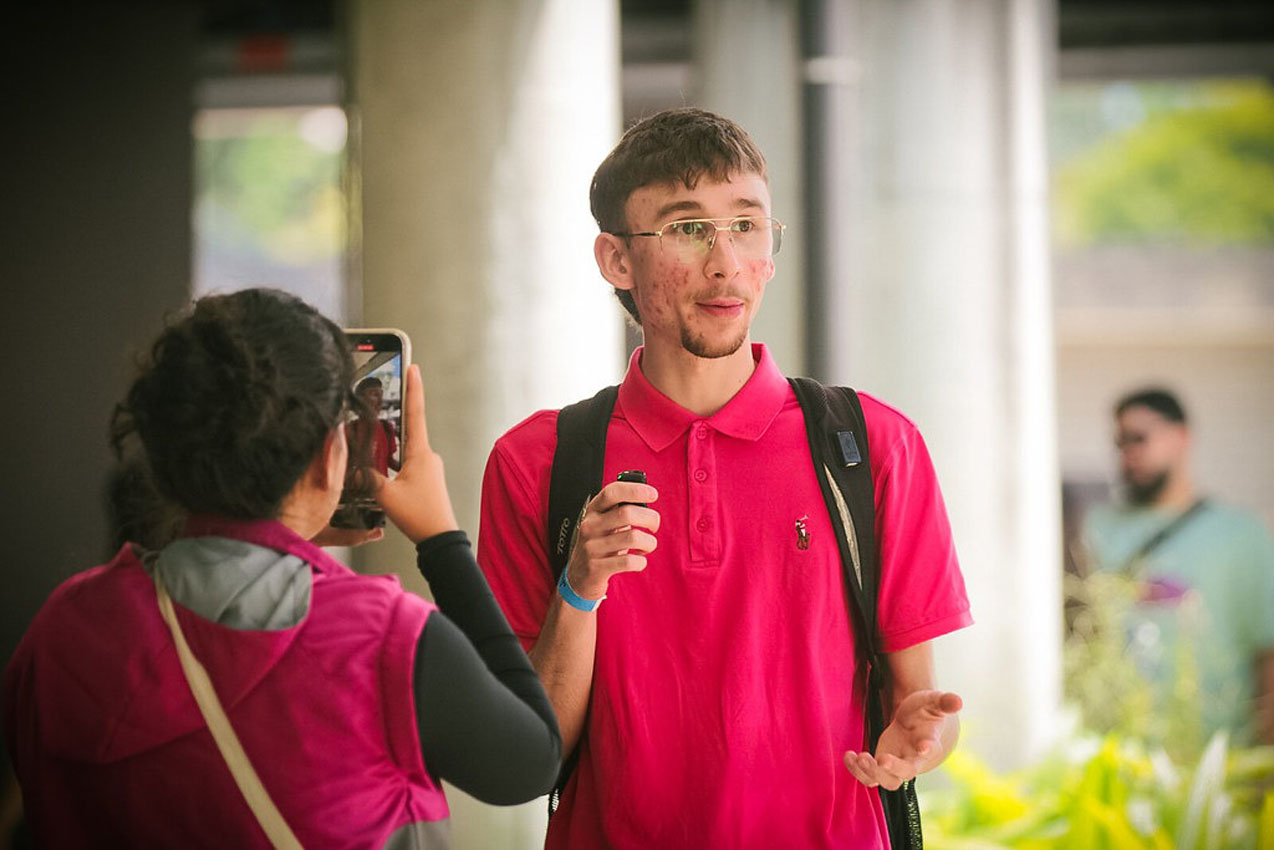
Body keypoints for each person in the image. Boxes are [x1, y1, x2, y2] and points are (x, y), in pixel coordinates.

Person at [477, 108, 972, 848]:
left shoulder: (871, 446)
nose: (726, 263)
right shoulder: (538, 462)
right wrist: (580, 587)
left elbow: (923, 707)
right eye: (686, 228)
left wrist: (926, 736)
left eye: (746, 226)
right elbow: (532, 751)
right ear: (616, 259)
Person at [2, 288, 561, 848]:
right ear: (328, 457)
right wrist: (442, 540)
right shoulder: (381, 638)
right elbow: (531, 761)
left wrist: (282, 527)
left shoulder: (64, 628)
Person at [1081, 387, 1274, 746]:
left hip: (1221, 756)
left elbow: (1267, 653)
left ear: (1182, 437)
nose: (1128, 453)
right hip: (1123, 751)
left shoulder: (1242, 533)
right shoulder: (1097, 529)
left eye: (1139, 438)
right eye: (1120, 442)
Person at [349, 375, 401, 476]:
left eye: (381, 395)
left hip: (383, 489)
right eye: (375, 395)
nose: (380, 401)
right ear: (360, 400)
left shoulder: (387, 428)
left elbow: (389, 461)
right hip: (359, 490)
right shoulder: (350, 430)